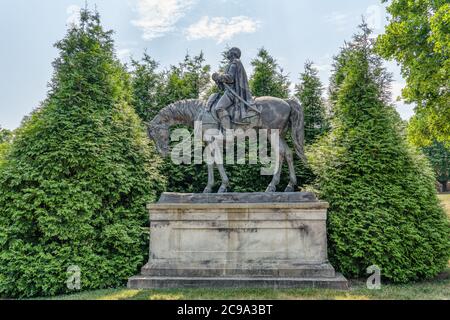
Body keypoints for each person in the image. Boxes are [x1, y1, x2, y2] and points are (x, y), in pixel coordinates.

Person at [212, 47, 253, 130]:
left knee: (219, 107)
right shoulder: (234, 63)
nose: (228, 53)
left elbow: (230, 78)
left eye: (229, 52)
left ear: (233, 53)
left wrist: (219, 76)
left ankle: (227, 132)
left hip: (233, 93)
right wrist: (218, 80)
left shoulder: (234, 63)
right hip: (230, 91)